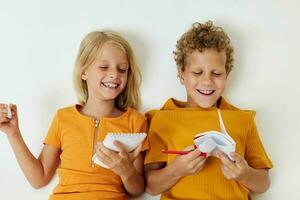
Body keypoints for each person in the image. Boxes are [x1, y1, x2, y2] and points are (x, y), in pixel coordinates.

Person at [0, 30, 148, 200]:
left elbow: (137, 190)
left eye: (123, 69)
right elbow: (38, 178)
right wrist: (13, 133)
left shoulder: (135, 121)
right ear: (83, 72)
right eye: (103, 67)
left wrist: (127, 172)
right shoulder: (63, 118)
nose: (115, 74)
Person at [144, 21, 273, 200]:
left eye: (217, 73)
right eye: (197, 72)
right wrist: (176, 170)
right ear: (181, 74)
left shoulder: (243, 120)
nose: (207, 82)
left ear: (226, 75)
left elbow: (263, 183)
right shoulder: (162, 119)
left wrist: (244, 174)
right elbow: (151, 186)